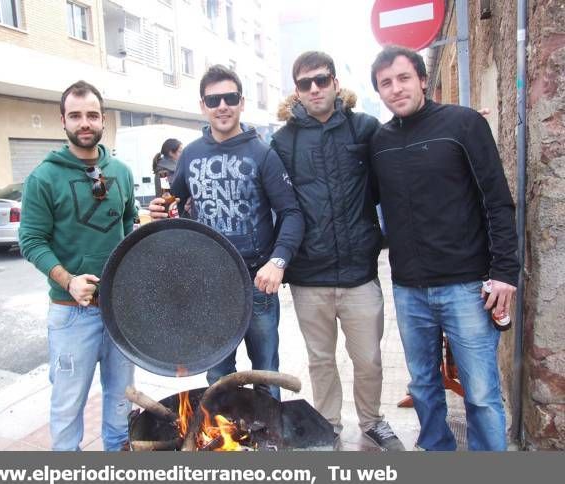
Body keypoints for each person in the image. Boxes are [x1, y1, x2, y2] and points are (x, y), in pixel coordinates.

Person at [369, 45, 519, 451]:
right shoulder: (379, 143)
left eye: (403, 78)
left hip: (466, 286)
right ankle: (437, 454)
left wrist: (505, 272)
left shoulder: (464, 124)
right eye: (386, 83)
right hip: (409, 288)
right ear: (379, 92)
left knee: (482, 392)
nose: (396, 89)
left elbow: (498, 200)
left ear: (421, 79)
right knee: (422, 384)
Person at [270, 51, 404, 451]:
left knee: (368, 360)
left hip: (360, 272)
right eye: (305, 83)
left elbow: (400, 161)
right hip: (309, 276)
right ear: (296, 90)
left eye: (321, 80)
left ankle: (372, 421)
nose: (314, 89)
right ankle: (327, 422)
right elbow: (274, 200)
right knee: (320, 360)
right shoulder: (282, 141)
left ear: (335, 83)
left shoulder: (364, 128)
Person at [149, 65, 304, 399]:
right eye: (213, 99)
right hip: (210, 285)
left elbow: (292, 213)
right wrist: (159, 210)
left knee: (265, 374)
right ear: (203, 105)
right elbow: (172, 206)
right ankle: (224, 442)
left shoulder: (263, 153)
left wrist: (278, 262)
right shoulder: (189, 155)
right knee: (218, 377)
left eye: (230, 98)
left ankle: (269, 441)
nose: (222, 105)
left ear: (241, 103)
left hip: (258, 284)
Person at [19, 80, 136, 451]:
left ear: (103, 120)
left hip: (120, 312)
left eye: (91, 115)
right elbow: (31, 241)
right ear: (63, 121)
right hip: (72, 315)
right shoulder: (43, 177)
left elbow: (129, 225)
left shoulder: (121, 171)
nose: (84, 123)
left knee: (121, 404)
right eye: (75, 115)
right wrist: (68, 280)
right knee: (68, 409)